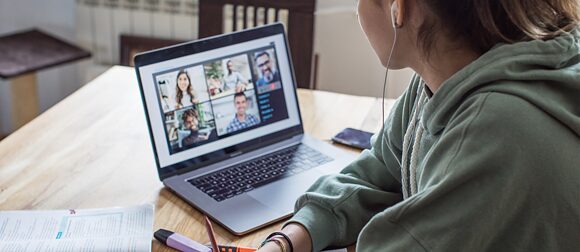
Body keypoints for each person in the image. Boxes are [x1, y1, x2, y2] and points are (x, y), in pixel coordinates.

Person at [257, 0, 580, 251]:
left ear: (400, 7)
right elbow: (381, 170)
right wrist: (289, 239)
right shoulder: (448, 72)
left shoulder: (496, 131)